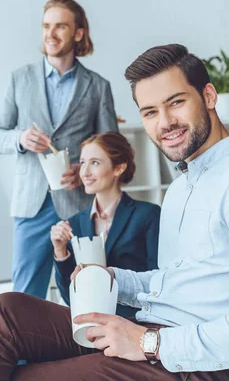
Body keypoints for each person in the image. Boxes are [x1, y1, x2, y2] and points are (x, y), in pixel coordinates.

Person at [0, 44, 229, 381]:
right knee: (3, 313)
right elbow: (176, 283)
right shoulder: (183, 186)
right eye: (150, 111)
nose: (164, 122)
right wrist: (115, 279)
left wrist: (150, 342)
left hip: (208, 366)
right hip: (156, 330)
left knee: (20, 376)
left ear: (209, 95)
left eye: (176, 102)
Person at [0, 0, 118, 299]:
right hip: (31, 205)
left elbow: (112, 147)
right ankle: (25, 348)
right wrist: (20, 139)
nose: (51, 33)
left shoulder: (98, 87)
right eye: (46, 26)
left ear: (78, 33)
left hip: (80, 205)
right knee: (25, 296)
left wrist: (85, 168)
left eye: (60, 26)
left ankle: (84, 347)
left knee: (87, 289)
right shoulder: (19, 79)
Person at [50, 132, 159, 318]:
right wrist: (60, 251)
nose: (84, 172)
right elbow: (69, 296)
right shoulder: (74, 223)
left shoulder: (148, 215)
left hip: (134, 320)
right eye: (83, 162)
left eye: (95, 163)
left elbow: (157, 282)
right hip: (87, 321)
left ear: (118, 168)